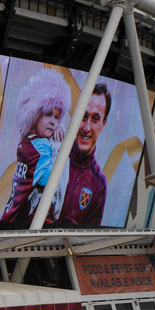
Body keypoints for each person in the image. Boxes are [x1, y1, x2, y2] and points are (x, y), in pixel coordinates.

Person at [0, 69, 69, 225]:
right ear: (34, 114)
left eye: (57, 117)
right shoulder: (37, 148)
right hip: (20, 223)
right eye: (48, 114)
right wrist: (58, 147)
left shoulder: (30, 143)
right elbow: (51, 182)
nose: (53, 121)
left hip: (15, 219)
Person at [54, 83, 111, 226]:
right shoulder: (53, 152)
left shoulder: (98, 184)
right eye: (84, 116)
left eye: (95, 119)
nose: (87, 128)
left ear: (103, 124)